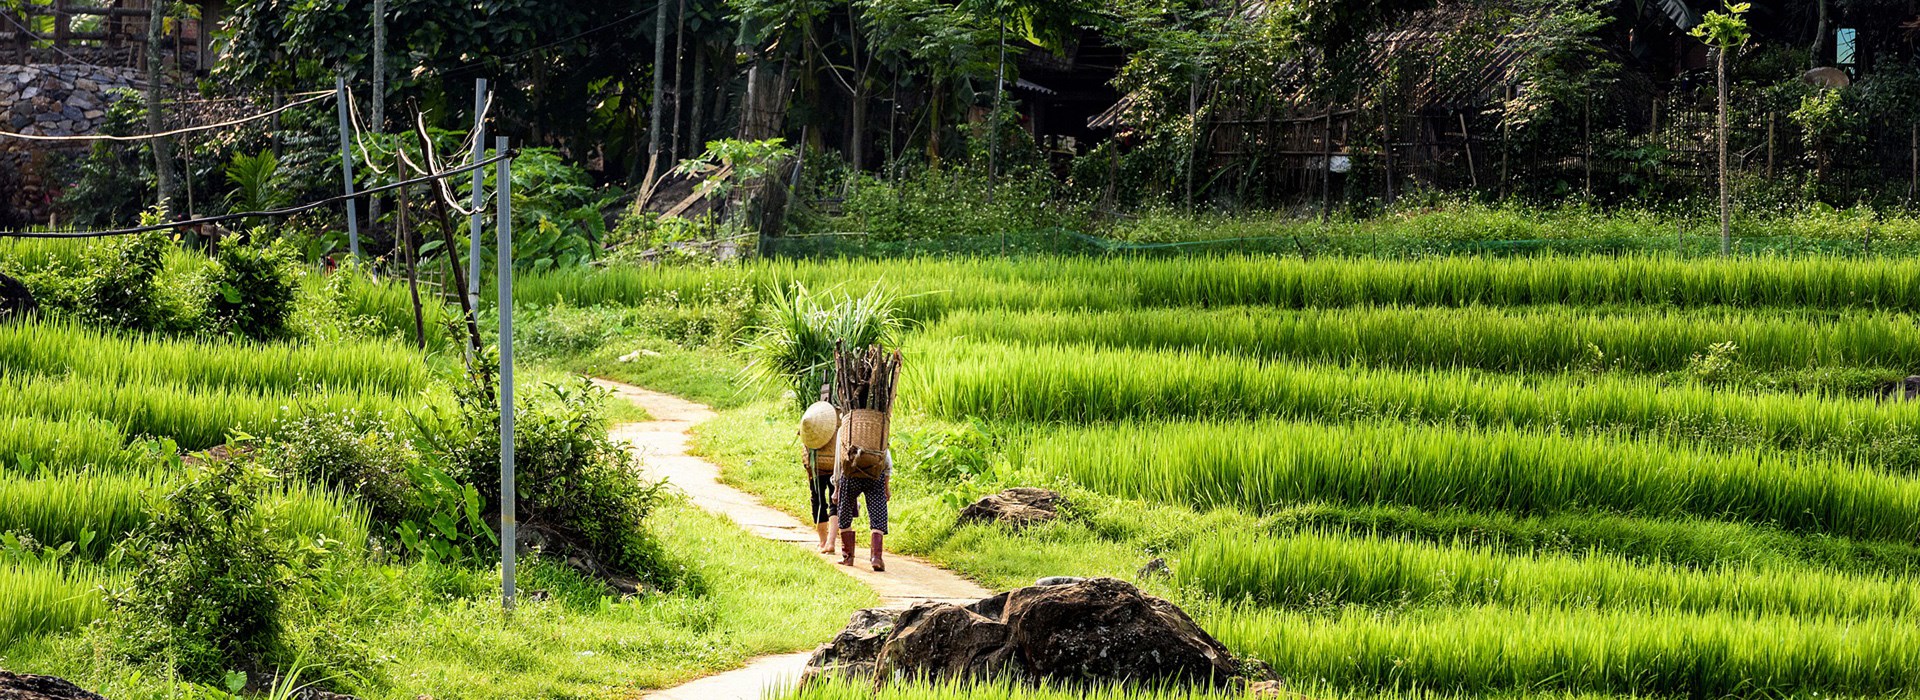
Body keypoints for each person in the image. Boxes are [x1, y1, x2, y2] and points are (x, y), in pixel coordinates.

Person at [836, 442, 891, 572]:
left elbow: (839, 459)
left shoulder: (846, 427)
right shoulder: (878, 426)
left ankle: (848, 557)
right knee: (878, 514)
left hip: (850, 475)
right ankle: (876, 558)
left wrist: (836, 486)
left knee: (844, 512)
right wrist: (886, 487)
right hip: (875, 475)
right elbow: (887, 460)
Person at [798, 398, 840, 555]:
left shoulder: (809, 422)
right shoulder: (838, 421)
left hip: (816, 466)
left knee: (818, 500)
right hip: (834, 465)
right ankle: (830, 542)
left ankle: (822, 541)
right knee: (835, 500)